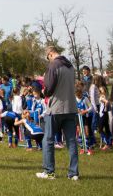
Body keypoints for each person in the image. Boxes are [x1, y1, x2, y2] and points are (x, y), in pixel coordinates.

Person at [36, 46, 79, 181]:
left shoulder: (53, 66)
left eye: (47, 57)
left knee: (48, 140)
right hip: (71, 107)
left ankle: (49, 172)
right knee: (71, 141)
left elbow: (49, 89)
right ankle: (74, 173)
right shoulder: (70, 66)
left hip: (56, 108)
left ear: (50, 54)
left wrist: (43, 91)